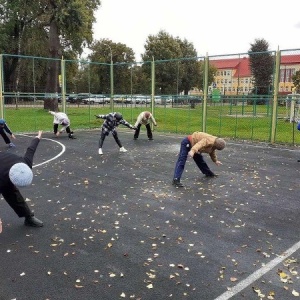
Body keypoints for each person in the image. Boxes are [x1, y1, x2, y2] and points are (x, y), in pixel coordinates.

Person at [0, 131, 44, 227]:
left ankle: (28, 218)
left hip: (4, 167)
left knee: (13, 194)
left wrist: (37, 137)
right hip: (2, 174)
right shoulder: (2, 179)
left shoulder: (25, 164)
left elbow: (31, 149)